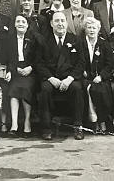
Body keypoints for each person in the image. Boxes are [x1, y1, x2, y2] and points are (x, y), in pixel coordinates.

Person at [36, 11, 85, 140]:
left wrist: (69, 79)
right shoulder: (44, 40)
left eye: (63, 21)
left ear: (67, 23)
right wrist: (51, 78)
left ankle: (78, 126)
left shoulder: (75, 39)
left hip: (69, 78)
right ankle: (46, 129)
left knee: (77, 88)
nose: (60, 24)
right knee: (45, 89)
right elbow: (39, 63)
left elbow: (81, 62)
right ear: (51, 24)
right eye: (57, 21)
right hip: (51, 78)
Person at [6, 14, 40, 138]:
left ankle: (27, 122)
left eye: (23, 22)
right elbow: (8, 58)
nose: (20, 24)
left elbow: (39, 57)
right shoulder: (9, 39)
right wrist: (13, 69)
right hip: (16, 70)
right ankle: (14, 124)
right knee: (13, 89)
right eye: (18, 21)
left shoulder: (34, 38)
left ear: (27, 25)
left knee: (26, 88)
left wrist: (30, 68)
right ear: (14, 24)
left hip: (30, 70)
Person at [82, 17, 114, 134]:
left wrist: (101, 76)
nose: (91, 30)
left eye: (94, 28)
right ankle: (92, 121)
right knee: (87, 88)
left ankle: (102, 121)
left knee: (101, 90)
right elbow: (77, 60)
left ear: (98, 29)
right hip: (85, 77)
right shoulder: (81, 43)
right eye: (89, 27)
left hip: (100, 77)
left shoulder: (104, 44)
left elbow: (109, 64)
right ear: (85, 29)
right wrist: (82, 71)